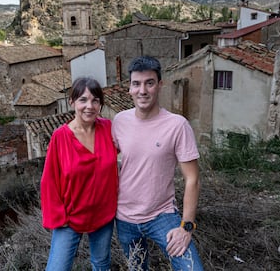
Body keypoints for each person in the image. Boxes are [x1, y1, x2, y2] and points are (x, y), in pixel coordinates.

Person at [112, 56, 204, 270]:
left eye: (149, 83)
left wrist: (186, 227)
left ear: (160, 85)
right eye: (136, 84)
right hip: (124, 218)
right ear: (130, 88)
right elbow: (103, 160)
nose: (142, 90)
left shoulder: (177, 125)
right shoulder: (119, 121)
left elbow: (193, 179)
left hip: (162, 216)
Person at [40, 77, 118, 271]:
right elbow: (49, 181)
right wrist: (60, 218)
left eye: (95, 100)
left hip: (103, 216)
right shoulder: (60, 136)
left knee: (101, 265)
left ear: (100, 104)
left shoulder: (108, 129)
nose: (89, 106)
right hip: (70, 218)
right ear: (72, 102)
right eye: (83, 100)